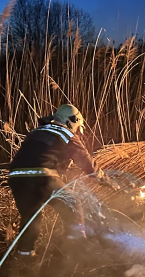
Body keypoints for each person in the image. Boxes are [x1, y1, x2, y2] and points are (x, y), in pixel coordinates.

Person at [7, 104, 108, 257]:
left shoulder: (37, 132)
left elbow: (40, 154)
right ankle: (75, 250)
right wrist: (105, 180)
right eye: (77, 126)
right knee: (72, 204)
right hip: (42, 176)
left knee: (31, 217)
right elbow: (86, 162)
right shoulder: (65, 133)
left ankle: (24, 256)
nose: (76, 130)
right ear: (72, 121)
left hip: (17, 177)